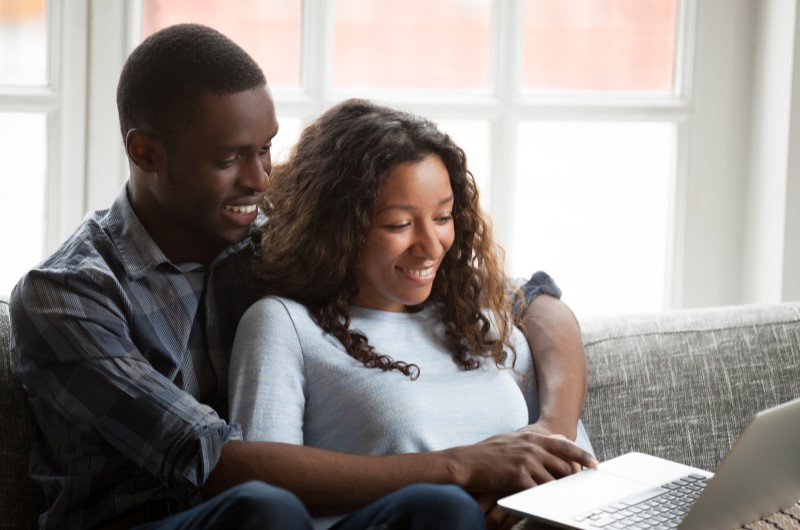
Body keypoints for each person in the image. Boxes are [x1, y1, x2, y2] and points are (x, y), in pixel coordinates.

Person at [9, 23, 595, 530]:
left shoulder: (270, 231)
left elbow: (532, 301)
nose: (260, 179)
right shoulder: (66, 296)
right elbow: (213, 464)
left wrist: (551, 435)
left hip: (278, 513)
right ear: (145, 153)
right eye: (229, 158)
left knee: (439, 509)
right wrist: (464, 464)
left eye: (265, 149)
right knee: (266, 509)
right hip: (152, 519)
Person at [228, 99, 595, 530]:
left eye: (443, 217)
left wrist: (541, 460)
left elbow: (572, 463)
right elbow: (266, 493)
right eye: (399, 225)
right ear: (338, 229)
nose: (431, 246)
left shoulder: (474, 316)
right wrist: (464, 470)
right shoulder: (284, 325)